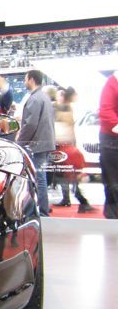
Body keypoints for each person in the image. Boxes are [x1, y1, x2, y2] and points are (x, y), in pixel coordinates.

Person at [16, 69, 56, 217]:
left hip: (36, 144)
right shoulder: (44, 97)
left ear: (31, 80)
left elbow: (30, 124)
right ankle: (43, 209)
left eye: (25, 79)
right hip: (44, 142)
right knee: (41, 177)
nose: (24, 82)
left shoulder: (35, 99)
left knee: (39, 178)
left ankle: (43, 211)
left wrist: (20, 142)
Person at [52, 86, 95, 213]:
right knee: (67, 176)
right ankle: (77, 201)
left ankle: (81, 201)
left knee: (68, 176)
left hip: (65, 148)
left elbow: (64, 131)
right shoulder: (66, 109)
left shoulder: (62, 110)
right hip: (67, 147)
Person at [98, 71, 118, 219]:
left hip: (111, 139)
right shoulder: (113, 82)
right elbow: (106, 112)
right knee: (113, 184)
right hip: (112, 140)